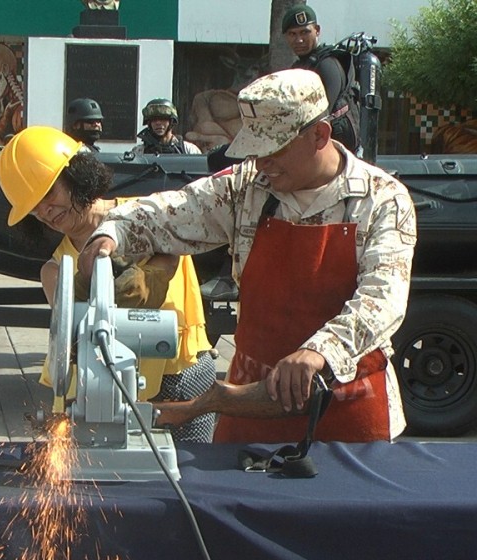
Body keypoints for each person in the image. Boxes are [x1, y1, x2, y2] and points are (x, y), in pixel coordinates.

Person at [79, 69, 417, 444]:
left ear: (319, 135)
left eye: (274, 151)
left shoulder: (382, 199)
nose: (261, 164)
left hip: (349, 411)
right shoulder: (246, 187)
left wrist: (320, 351)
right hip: (249, 406)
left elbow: (382, 298)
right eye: (254, 152)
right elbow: (174, 210)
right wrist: (113, 232)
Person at [0, 126, 217, 443]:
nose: (43, 211)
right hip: (100, 389)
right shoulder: (56, 269)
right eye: (32, 206)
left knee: (192, 474)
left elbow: (168, 260)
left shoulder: (149, 215)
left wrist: (144, 282)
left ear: (75, 176)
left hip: (180, 375)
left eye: (48, 194)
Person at [282, 4, 360, 153]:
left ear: (317, 31)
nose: (299, 40)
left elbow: (321, 115)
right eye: (293, 34)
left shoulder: (327, 65)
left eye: (305, 32)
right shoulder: (301, 64)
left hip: (333, 152)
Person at [131, 98, 202, 156]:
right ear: (149, 123)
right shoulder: (139, 152)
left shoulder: (188, 150)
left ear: (171, 122)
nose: (158, 123)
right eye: (154, 119)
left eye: (163, 118)